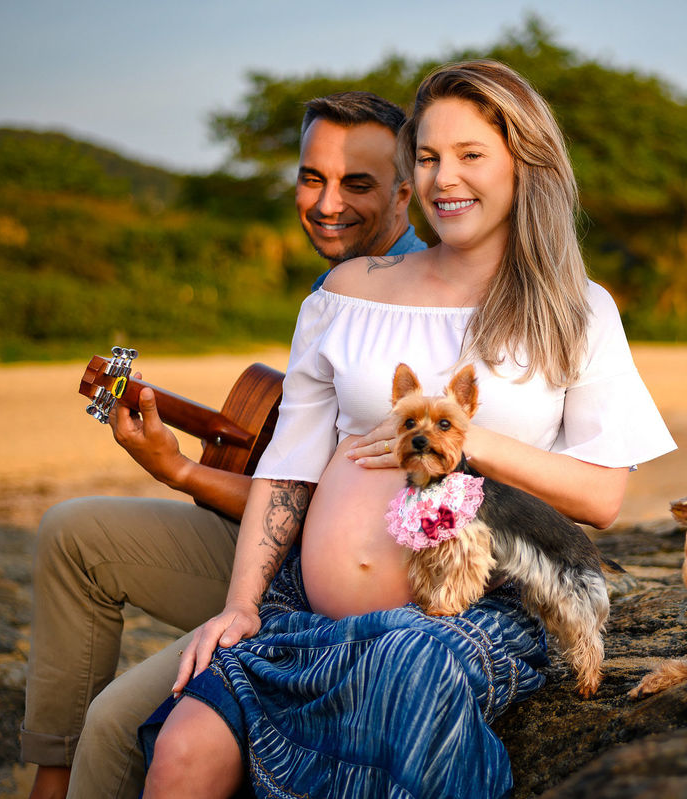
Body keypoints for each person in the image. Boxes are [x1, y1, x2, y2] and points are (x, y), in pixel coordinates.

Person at [140, 59, 677, 799]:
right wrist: (241, 602)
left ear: (526, 164)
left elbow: (603, 495)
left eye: (470, 155)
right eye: (426, 157)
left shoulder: (578, 309)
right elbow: (291, 466)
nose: (443, 178)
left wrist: (469, 441)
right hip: (309, 611)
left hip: (473, 612)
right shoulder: (347, 292)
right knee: (181, 749)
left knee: (406, 672)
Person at [22, 91, 428, 799]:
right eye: (312, 177)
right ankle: (48, 783)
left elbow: (315, 504)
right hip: (276, 552)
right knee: (71, 532)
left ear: (406, 193)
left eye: (357, 183)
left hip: (331, 579)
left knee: (118, 719)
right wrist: (180, 467)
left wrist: (178, 469)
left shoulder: (417, 303)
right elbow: (291, 478)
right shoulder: (330, 291)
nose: (327, 203)